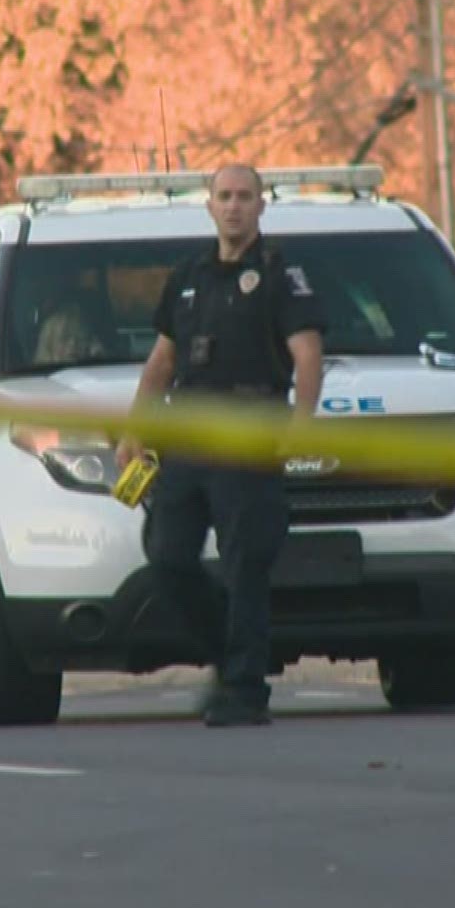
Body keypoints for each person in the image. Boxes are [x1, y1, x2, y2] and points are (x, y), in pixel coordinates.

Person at [114, 163, 326, 727]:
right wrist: (136, 428)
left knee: (245, 565)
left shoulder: (281, 275)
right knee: (167, 557)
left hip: (250, 434)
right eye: (224, 196)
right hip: (189, 436)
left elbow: (307, 354)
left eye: (245, 196)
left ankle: (245, 688)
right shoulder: (189, 275)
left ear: (262, 205)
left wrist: (300, 424)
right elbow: (162, 361)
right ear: (208, 205)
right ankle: (231, 651)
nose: (234, 206)